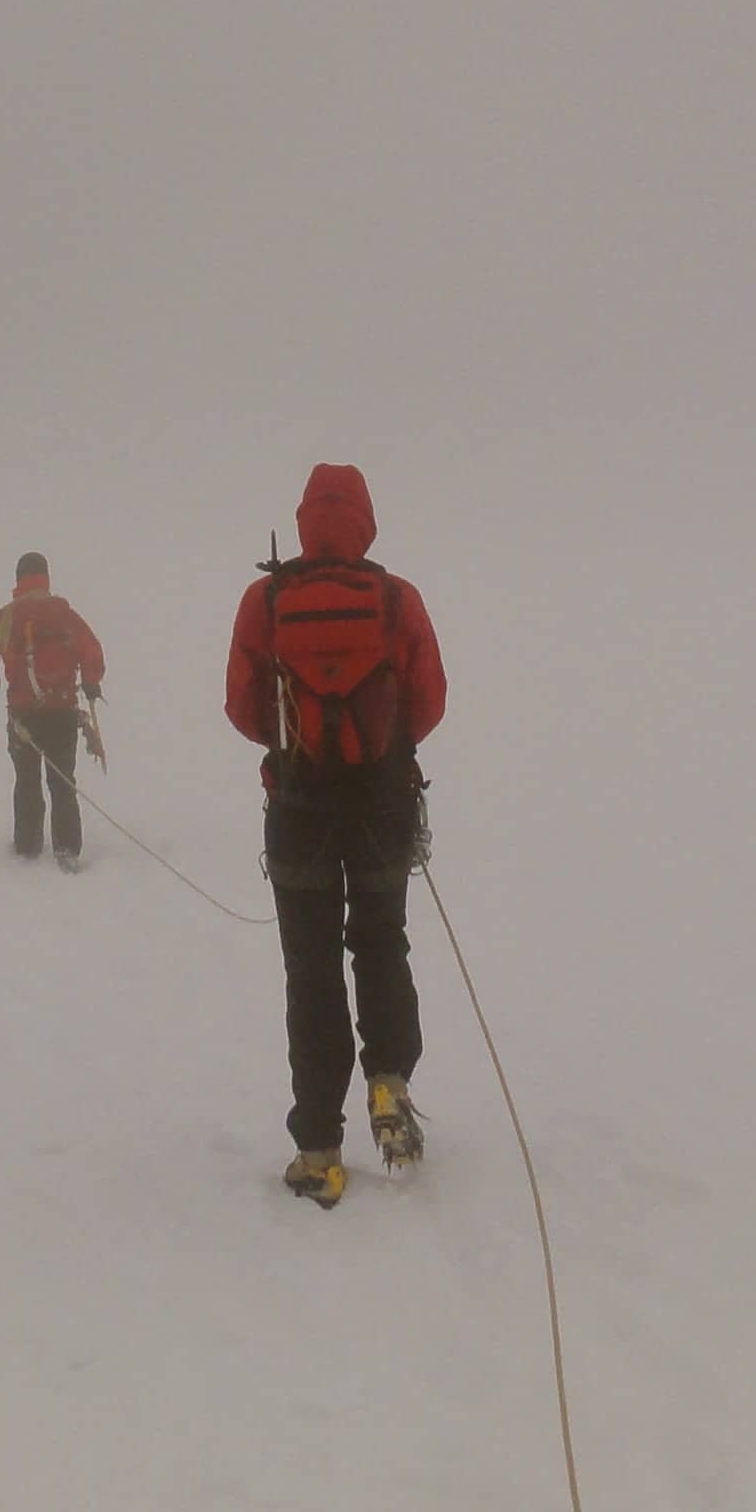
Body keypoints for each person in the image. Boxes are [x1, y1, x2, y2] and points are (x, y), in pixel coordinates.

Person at [226, 464, 447, 1206]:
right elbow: (430, 698)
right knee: (382, 942)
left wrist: (298, 748)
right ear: (365, 522)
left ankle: (319, 1147)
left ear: (303, 522)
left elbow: (241, 705)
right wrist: (385, 747)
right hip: (384, 802)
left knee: (311, 969)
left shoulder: (268, 598)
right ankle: (388, 1083)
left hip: (299, 808)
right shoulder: (393, 597)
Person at [0, 552, 105, 869]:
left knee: (27, 779)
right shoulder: (65, 615)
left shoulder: (5, 617)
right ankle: (67, 847)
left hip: (23, 714)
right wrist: (90, 682)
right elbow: (92, 652)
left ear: (18, 579)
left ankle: (28, 846)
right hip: (61, 709)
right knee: (63, 781)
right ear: (46, 577)